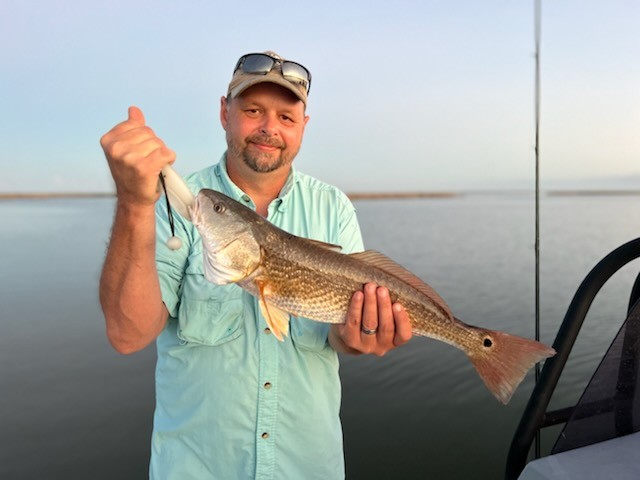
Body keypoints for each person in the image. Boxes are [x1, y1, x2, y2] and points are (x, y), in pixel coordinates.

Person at [99, 51, 412, 480]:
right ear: (224, 113)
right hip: (195, 468)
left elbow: (342, 338)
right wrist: (135, 202)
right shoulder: (182, 202)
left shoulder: (332, 205)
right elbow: (126, 335)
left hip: (307, 468)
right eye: (252, 111)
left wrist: (362, 336)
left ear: (303, 126)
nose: (269, 128)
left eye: (287, 116)